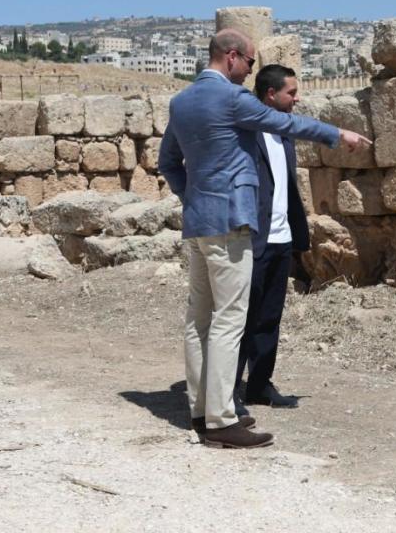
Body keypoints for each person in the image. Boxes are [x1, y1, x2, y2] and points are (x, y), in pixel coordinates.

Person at [158, 29, 370, 449]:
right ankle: (221, 420)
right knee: (229, 319)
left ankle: (201, 410)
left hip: (199, 221)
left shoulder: (181, 101)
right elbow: (284, 122)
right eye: (251, 63)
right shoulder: (232, 98)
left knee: (199, 319)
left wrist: (194, 196)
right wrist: (337, 134)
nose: (250, 71)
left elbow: (169, 161)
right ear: (232, 57)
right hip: (232, 221)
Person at [235, 64, 307, 409]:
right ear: (270, 95)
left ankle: (260, 385)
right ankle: (228, 390)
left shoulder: (285, 133)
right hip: (252, 239)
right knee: (240, 319)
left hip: (282, 238)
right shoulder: (245, 132)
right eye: (291, 93)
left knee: (269, 318)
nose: (296, 98)